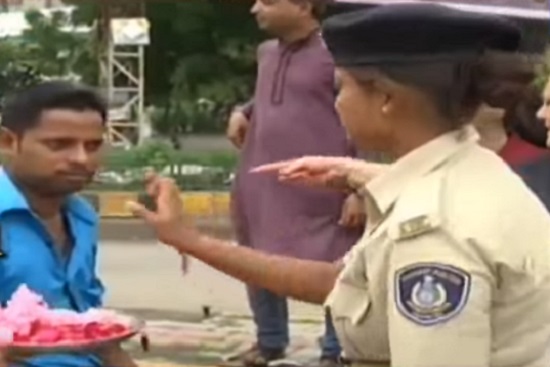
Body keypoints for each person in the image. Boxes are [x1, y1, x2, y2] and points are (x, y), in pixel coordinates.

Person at [131, 4, 550, 367]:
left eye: (341, 88)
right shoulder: (472, 172)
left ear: (386, 99)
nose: (336, 103)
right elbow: (343, 284)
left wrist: (189, 240)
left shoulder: (433, 231)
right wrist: (363, 174)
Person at [225, 0, 364, 365]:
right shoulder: (267, 52)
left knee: (339, 264)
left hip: (323, 183)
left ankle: (336, 348)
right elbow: (277, 94)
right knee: (257, 258)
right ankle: (270, 340)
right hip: (261, 176)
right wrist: (244, 110)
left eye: (268, 1)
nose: (256, 8)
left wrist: (358, 186)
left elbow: (363, 116)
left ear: (304, 5)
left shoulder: (338, 53)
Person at [0, 82, 136, 367]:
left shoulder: (82, 217)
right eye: (59, 145)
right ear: (8, 142)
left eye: (93, 145)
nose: (81, 159)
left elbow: (91, 326)